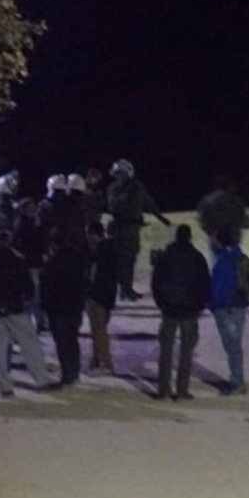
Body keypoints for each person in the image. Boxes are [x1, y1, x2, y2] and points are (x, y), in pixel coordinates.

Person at [0, 228, 55, 397]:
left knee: (0, 349)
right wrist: (27, 297)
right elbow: (27, 284)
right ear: (9, 241)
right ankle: (40, 380)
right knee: (30, 344)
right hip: (15, 307)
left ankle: (4, 387)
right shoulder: (17, 259)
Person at [150, 224, 210, 400]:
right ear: (189, 237)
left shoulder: (166, 256)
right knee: (186, 351)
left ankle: (163, 388)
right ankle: (182, 389)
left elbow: (156, 282)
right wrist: (199, 306)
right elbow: (204, 284)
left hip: (169, 308)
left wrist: (162, 303)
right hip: (189, 309)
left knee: (166, 350)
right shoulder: (197, 257)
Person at [106, 159, 170, 301]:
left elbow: (149, 203)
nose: (119, 176)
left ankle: (127, 289)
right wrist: (128, 193)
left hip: (133, 229)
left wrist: (161, 218)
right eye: (118, 174)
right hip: (120, 228)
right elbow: (113, 207)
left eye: (121, 173)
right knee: (121, 261)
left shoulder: (137, 187)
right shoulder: (114, 188)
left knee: (130, 259)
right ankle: (124, 290)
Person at [39, 230, 87, 386]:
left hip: (57, 308)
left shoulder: (52, 263)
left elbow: (46, 287)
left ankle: (67, 374)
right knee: (73, 339)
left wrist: (45, 306)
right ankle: (75, 371)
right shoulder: (79, 258)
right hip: (75, 306)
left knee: (62, 342)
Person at [209, 232, 249, 396]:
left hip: (225, 308)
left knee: (232, 347)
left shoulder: (222, 263)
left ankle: (237, 382)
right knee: (235, 346)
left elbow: (218, 289)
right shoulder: (241, 258)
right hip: (239, 307)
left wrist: (212, 305)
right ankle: (237, 379)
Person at [85, 221, 119, 375]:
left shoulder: (98, 253)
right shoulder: (112, 250)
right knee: (99, 329)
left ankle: (105, 363)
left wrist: (88, 290)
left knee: (98, 331)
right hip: (108, 295)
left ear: (93, 234)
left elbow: (93, 275)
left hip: (97, 296)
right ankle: (96, 359)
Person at [12, 197, 48, 332]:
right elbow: (28, 244)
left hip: (35, 263)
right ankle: (35, 322)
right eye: (31, 208)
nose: (34, 210)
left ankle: (39, 321)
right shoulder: (23, 225)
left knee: (36, 293)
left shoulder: (29, 222)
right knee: (33, 294)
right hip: (30, 264)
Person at [196, 175, 247, 248]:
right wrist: (236, 230)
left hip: (216, 238)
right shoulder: (236, 200)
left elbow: (203, 220)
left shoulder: (207, 200)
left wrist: (211, 233)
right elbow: (242, 217)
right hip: (233, 236)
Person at [0, 170, 19, 239]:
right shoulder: (2, 201)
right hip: (7, 236)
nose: (16, 187)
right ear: (5, 186)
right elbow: (3, 221)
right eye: (12, 185)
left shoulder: (9, 198)